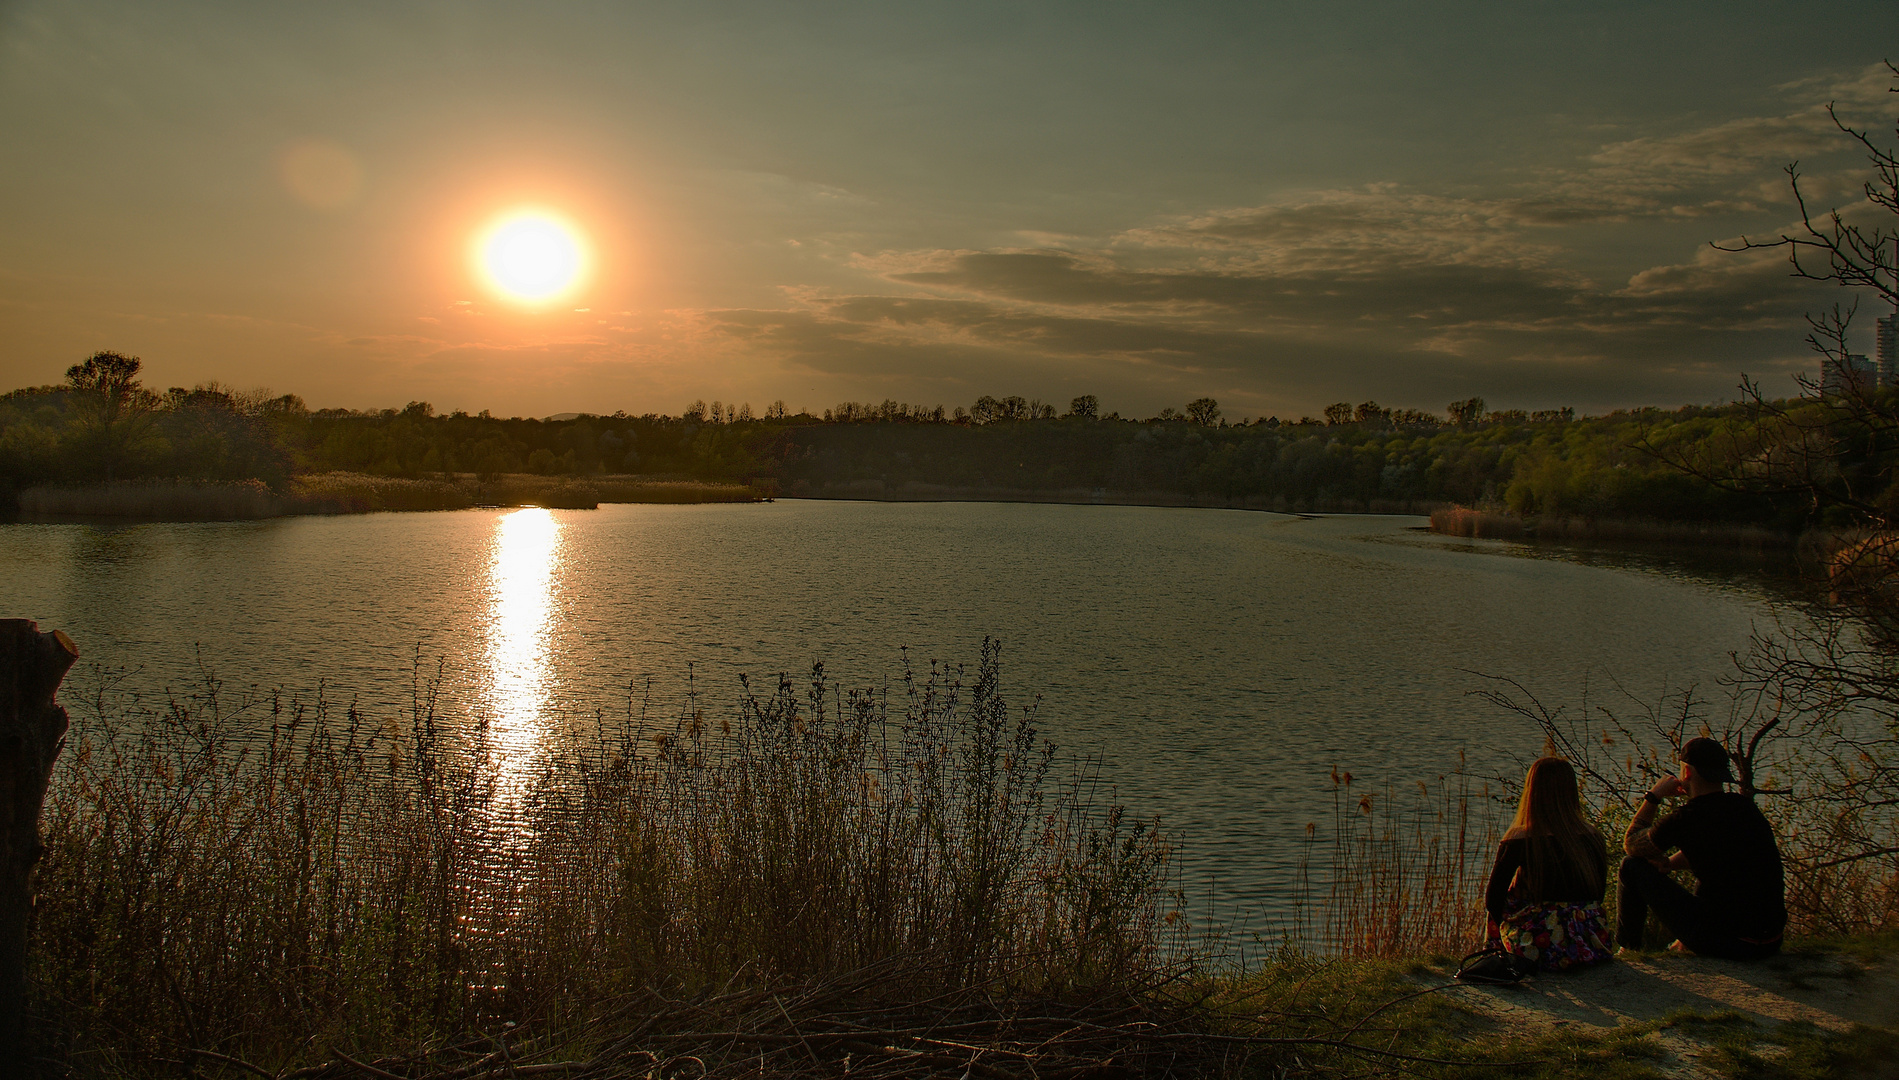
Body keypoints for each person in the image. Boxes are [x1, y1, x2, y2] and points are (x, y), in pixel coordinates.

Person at [1618, 737, 1786, 959]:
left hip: (1730, 944)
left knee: (1631, 866)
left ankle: (1627, 949)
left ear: (1686, 772)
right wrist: (1667, 863)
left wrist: (1654, 796)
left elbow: (1631, 844)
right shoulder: (1743, 808)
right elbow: (1712, 853)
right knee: (1713, 882)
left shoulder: (1686, 819)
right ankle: (1688, 940)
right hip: (1770, 942)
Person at [1481, 756, 1614, 971]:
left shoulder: (1520, 837)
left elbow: (1492, 900)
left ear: (1532, 791)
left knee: (1508, 897)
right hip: (1590, 941)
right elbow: (1598, 894)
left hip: (1538, 944)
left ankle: (1492, 953)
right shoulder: (1593, 835)